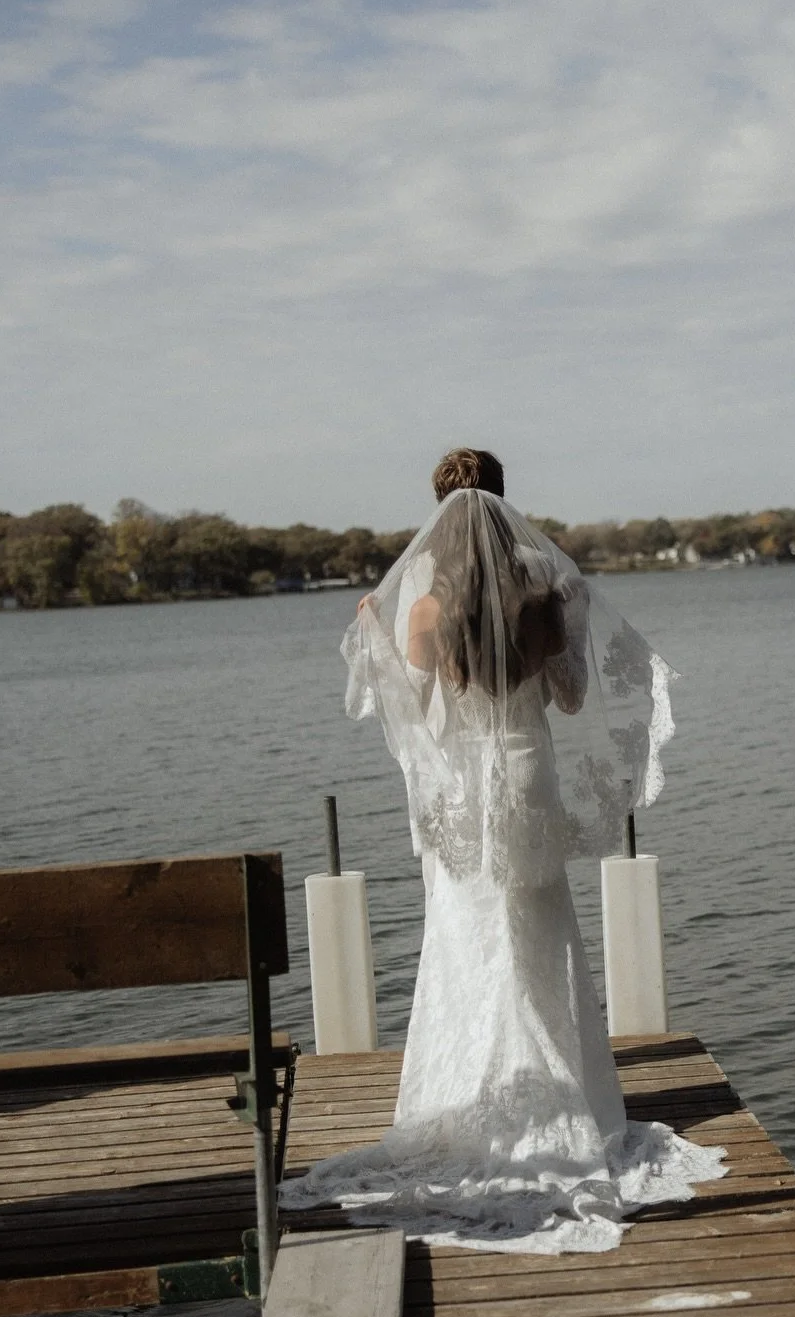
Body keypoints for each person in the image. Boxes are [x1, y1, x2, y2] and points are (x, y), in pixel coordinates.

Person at [279, 447, 726, 1252]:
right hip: (524, 773)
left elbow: (416, 709)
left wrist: (377, 633)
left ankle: (470, 1096)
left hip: (461, 790)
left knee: (465, 935)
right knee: (540, 931)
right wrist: (572, 615)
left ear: (436, 515)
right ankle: (571, 1104)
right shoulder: (541, 593)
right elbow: (571, 696)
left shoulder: (423, 607)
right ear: (505, 503)